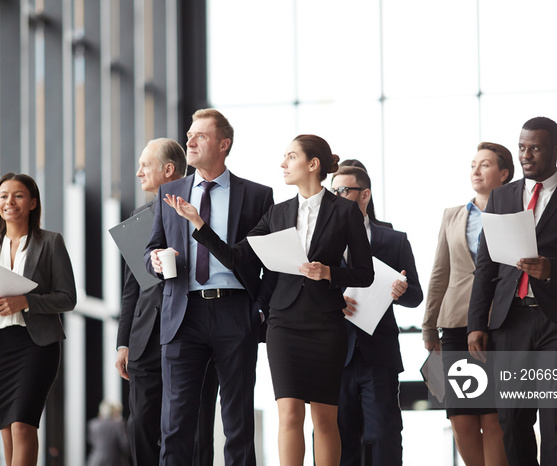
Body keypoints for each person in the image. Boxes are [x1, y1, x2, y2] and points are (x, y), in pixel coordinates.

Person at [161, 134, 374, 466]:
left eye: (290, 157)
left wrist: (329, 273)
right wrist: (198, 223)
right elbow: (235, 257)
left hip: (326, 324)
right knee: (289, 413)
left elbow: (365, 274)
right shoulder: (277, 214)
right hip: (284, 323)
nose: (283, 164)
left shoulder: (345, 212)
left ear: (312, 164)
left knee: (323, 418)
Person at [467, 117, 557, 466]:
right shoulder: (501, 197)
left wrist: (553, 270)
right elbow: (486, 266)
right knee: (512, 421)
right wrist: (476, 325)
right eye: (522, 147)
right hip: (510, 321)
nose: (526, 155)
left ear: (556, 150)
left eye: (536, 148)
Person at [143, 109, 276, 465]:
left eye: (200, 135)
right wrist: (155, 260)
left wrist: (259, 308)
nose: (190, 140)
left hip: (236, 312)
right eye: (190, 134)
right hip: (183, 313)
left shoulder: (257, 196)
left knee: (238, 421)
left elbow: (269, 262)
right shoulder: (168, 192)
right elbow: (151, 247)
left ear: (223, 144)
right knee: (175, 422)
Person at [115, 138, 219, 465]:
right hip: (146, 337)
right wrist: (123, 344)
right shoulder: (140, 214)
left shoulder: (205, 207)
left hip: (195, 328)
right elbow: (133, 286)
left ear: (168, 170)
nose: (138, 172)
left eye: (145, 165)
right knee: (141, 423)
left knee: (197, 423)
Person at [0, 173, 77, 466]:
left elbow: (68, 298)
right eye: (3, 196)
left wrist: (26, 301)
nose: (9, 202)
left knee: (23, 424)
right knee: (6, 430)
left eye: (17, 195)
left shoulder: (51, 242)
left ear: (32, 203)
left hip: (37, 345)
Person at [422, 142, 514, 466]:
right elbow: (439, 273)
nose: (476, 170)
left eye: (485, 165)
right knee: (461, 419)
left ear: (504, 174)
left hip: (498, 323)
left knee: (492, 417)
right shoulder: (453, 216)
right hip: (456, 323)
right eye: (473, 164)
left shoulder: (514, 215)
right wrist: (428, 325)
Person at [331, 165, 423, 465]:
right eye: (333, 192)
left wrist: (400, 291)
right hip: (334, 355)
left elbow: (415, 295)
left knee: (384, 435)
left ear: (365, 195)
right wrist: (334, 301)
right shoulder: (323, 240)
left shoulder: (393, 240)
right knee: (341, 439)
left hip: (378, 354)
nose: (337, 197)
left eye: (344, 191)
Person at [338, 159, 393, 229]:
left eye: (342, 190)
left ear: (365, 195)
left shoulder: (385, 232)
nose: (336, 196)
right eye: (333, 190)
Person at [86, 400, 129, 466]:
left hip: (95, 461)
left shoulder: (93, 424)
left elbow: (91, 441)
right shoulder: (118, 424)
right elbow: (125, 445)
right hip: (114, 461)